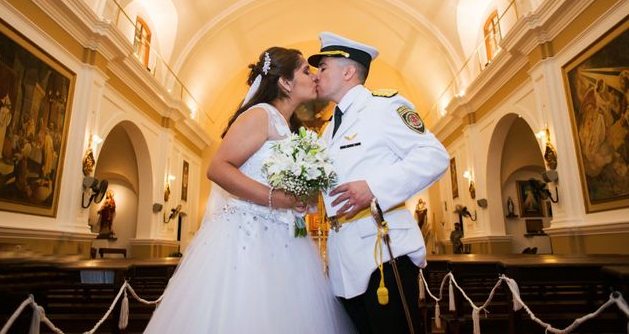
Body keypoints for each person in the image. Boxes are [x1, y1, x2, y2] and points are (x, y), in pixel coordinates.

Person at [144, 47, 355, 334]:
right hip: (248, 237)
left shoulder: (288, 127)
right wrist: (275, 198)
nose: (314, 75)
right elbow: (218, 168)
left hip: (285, 239)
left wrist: (299, 196)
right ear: (285, 82)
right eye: (306, 70)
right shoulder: (260, 115)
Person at [310, 32, 449, 334]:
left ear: (348, 71)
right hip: (344, 254)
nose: (316, 75)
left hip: (384, 250)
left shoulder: (384, 106)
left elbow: (435, 156)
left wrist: (373, 187)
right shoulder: (329, 129)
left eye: (323, 67)